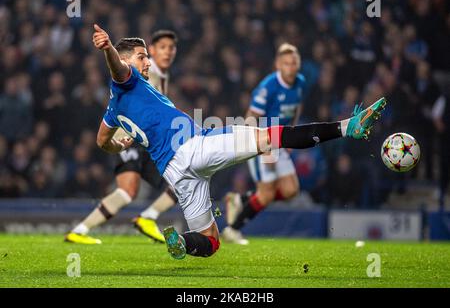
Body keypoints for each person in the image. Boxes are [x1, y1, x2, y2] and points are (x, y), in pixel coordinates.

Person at [90, 24, 385, 260]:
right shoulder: (126, 79)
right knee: (275, 135)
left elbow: (102, 141)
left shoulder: (114, 109)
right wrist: (108, 50)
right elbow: (118, 70)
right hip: (196, 147)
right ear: (126, 59)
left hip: (175, 172)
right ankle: (349, 127)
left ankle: (180, 241)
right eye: (142, 56)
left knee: (211, 242)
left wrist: (121, 143)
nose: (148, 61)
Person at [65, 30, 179, 244]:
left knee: (176, 181)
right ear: (151, 51)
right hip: (130, 139)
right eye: (162, 47)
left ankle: (82, 230)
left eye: (172, 48)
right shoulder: (142, 69)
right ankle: (83, 230)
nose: (168, 52)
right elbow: (119, 70)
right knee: (131, 190)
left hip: (146, 141)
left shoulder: (161, 75)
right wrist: (108, 48)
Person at [222, 43, 305, 245]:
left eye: (294, 62)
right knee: (267, 194)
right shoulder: (268, 87)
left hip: (281, 139)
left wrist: (291, 134)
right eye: (286, 63)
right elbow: (251, 117)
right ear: (278, 65)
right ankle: (232, 230)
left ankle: (241, 201)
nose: (291, 67)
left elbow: (296, 108)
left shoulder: (300, 82)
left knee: (290, 190)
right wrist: (262, 149)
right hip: (263, 140)